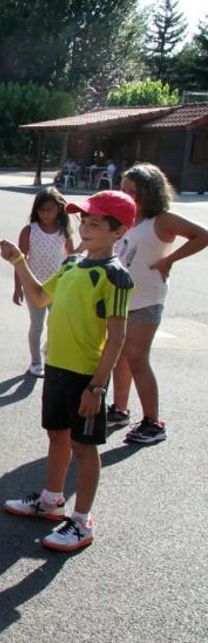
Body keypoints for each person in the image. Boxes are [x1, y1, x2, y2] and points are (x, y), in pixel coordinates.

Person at [1, 190, 135, 552]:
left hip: (85, 376)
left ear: (118, 232)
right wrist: (18, 262)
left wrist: (97, 387)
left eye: (94, 224)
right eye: (83, 222)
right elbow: (42, 297)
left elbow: (118, 336)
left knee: (85, 447)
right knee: (56, 435)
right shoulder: (72, 264)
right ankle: (51, 499)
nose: (85, 229)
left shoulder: (115, 276)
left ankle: (81, 521)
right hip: (57, 367)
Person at [109, 163, 208, 444]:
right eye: (124, 189)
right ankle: (119, 409)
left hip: (147, 299)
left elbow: (204, 235)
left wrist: (168, 260)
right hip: (121, 299)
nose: (128, 196)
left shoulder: (162, 219)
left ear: (150, 192)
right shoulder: (126, 217)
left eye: (134, 192)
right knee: (120, 355)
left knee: (137, 358)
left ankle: (153, 423)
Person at [13, 187, 75, 378]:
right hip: (35, 286)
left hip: (59, 286)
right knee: (37, 325)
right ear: (36, 211)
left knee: (56, 325)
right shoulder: (29, 231)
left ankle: (51, 357)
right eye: (41, 210)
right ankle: (35, 361)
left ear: (59, 208)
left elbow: (71, 258)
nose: (45, 214)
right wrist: (18, 288)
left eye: (50, 209)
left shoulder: (64, 231)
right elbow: (19, 260)